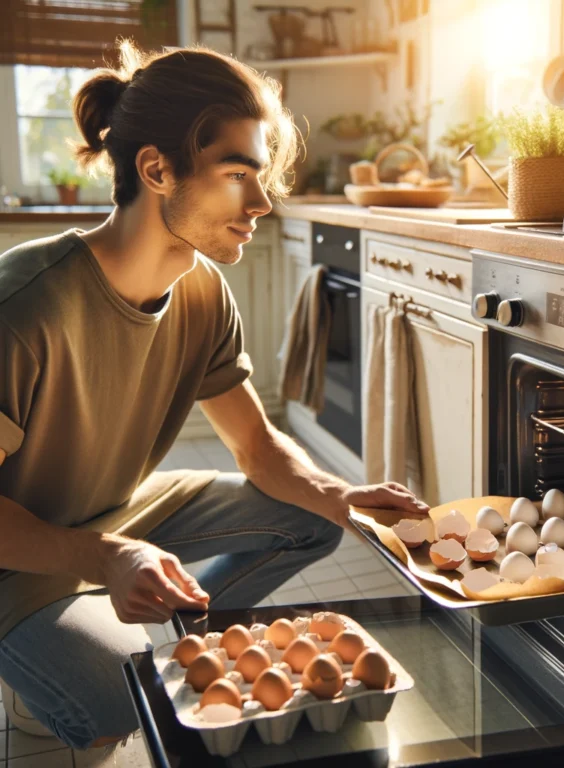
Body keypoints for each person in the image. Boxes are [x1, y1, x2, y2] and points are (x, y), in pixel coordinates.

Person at [0, 40, 429, 753]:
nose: (262, 203)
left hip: (118, 510)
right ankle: (50, 654)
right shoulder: (26, 305)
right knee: (120, 699)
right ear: (157, 169)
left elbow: (257, 447)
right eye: (237, 175)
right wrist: (100, 558)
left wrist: (342, 498)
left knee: (311, 514)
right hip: (14, 559)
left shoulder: (202, 290)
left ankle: (166, 630)